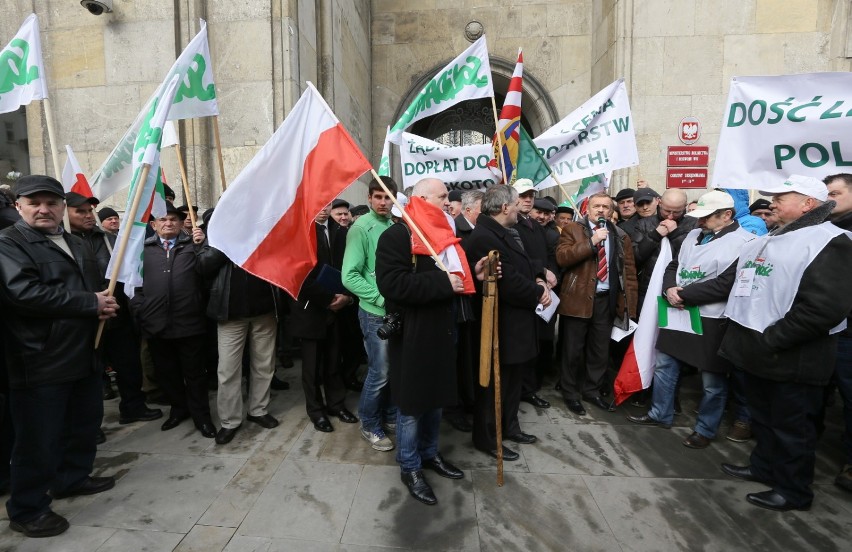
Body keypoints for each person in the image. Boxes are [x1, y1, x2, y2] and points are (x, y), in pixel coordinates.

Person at [719, 174, 852, 511]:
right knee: (764, 419)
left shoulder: (831, 241)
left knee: (792, 427)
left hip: (792, 357)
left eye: (782, 196)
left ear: (809, 204)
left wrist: (774, 340)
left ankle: (793, 491)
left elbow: (824, 308)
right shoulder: (774, 238)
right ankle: (764, 468)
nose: (772, 202)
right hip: (759, 352)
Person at [0, 175, 118, 538]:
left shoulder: (73, 241)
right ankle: (27, 507)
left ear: (61, 207)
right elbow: (23, 293)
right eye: (34, 202)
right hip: (40, 359)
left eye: (51, 202)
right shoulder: (9, 243)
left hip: (83, 353)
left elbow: (88, 288)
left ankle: (71, 478)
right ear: (18, 206)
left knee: (83, 424)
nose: (44, 209)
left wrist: (101, 304)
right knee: (38, 437)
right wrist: (89, 303)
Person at [627, 190, 755, 448]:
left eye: (706, 217)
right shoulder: (694, 235)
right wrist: (669, 288)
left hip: (711, 318)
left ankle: (705, 429)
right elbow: (674, 265)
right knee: (665, 365)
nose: (700, 221)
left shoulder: (746, 242)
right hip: (676, 312)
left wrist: (685, 294)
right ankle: (659, 413)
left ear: (726, 215)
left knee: (712, 381)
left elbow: (726, 283)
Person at [376, 178, 473, 504]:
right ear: (419, 199)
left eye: (448, 196)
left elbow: (456, 275)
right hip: (413, 334)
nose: (448, 202)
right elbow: (393, 285)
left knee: (436, 399)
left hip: (442, 330)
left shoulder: (442, 235)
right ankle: (410, 465)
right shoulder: (396, 236)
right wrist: (445, 283)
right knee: (413, 405)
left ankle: (430, 454)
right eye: (442, 196)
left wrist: (477, 274)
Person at [465, 185, 551, 461]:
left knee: (512, 381)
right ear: (504, 208)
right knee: (493, 385)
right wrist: (537, 292)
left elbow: (522, 264)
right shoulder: (484, 237)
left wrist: (538, 277)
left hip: (516, 325)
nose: (519, 208)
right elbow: (507, 280)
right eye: (516, 203)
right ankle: (488, 437)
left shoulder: (504, 231)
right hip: (500, 324)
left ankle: (509, 427)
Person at [65, 192, 161, 427]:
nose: (89, 216)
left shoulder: (107, 239)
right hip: (84, 319)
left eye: (90, 211)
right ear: (64, 212)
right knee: (90, 375)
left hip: (117, 315)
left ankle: (133, 407)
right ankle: (90, 425)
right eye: (81, 211)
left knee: (128, 365)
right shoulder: (61, 242)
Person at [130, 203, 216, 439]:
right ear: (153, 225)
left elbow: (209, 272)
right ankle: (179, 409)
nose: (168, 223)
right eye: (163, 219)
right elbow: (133, 286)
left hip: (190, 323)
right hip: (156, 325)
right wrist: (141, 311)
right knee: (167, 373)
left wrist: (202, 245)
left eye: (173, 219)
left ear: (181, 223)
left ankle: (202, 416)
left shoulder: (195, 246)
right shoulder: (143, 251)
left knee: (196, 375)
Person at [556, 192, 637, 415]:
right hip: (578, 299)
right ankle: (570, 393)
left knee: (599, 350)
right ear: (587, 209)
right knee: (573, 350)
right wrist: (592, 242)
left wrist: (630, 305)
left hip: (606, 300)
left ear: (612, 212)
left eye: (605, 207)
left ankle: (591, 391)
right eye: (596, 206)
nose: (601, 210)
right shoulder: (573, 229)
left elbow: (628, 272)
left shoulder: (620, 235)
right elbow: (563, 257)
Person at [197, 238, 282, 445]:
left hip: (264, 311)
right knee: (228, 370)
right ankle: (230, 421)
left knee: (264, 365)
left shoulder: (264, 230)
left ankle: (258, 410)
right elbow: (203, 266)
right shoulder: (219, 233)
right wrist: (226, 244)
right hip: (230, 314)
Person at [342, 176, 399, 452]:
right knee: (380, 371)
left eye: (387, 197)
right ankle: (368, 422)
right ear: (369, 198)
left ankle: (388, 416)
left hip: (393, 312)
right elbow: (349, 276)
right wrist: (378, 298)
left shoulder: (392, 225)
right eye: (377, 196)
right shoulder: (361, 227)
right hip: (374, 312)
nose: (383, 202)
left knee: (392, 370)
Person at [289, 205, 357, 433]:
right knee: (311, 366)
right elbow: (298, 274)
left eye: (327, 204)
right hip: (311, 308)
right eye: (319, 205)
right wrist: (328, 298)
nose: (323, 209)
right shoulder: (300, 233)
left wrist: (346, 297)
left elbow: (351, 266)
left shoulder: (342, 231)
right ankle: (316, 411)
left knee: (334, 359)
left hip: (338, 308)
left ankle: (336, 404)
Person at [825, 173, 852, 493]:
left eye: (837, 192)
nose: (830, 198)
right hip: (822, 327)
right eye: (826, 193)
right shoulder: (824, 230)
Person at [631, 188, 696, 305]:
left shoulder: (694, 224)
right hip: (648, 285)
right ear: (659, 202)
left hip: (680, 287)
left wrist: (675, 234)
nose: (670, 216)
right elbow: (635, 257)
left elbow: (693, 256)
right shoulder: (644, 224)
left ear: (685, 207)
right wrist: (655, 235)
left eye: (676, 212)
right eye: (666, 211)